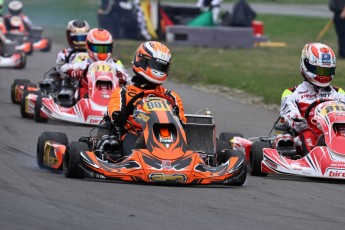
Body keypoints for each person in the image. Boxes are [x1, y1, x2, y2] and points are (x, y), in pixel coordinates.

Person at [108, 41, 187, 156]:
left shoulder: (171, 96)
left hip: (168, 136)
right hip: (136, 132)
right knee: (131, 138)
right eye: (155, 65)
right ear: (141, 60)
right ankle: (133, 158)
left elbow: (181, 121)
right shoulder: (124, 92)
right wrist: (118, 114)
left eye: (162, 67)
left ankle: (179, 157)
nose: (158, 70)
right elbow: (115, 110)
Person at [280, 42, 345, 156]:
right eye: (320, 70)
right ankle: (318, 157)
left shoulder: (338, 93)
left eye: (327, 71)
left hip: (336, 133)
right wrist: (296, 122)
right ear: (306, 65)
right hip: (306, 134)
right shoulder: (292, 93)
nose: (324, 75)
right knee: (307, 135)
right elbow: (289, 114)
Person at [60, 28, 128, 100]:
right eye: (98, 48)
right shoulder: (84, 63)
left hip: (113, 98)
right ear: (88, 46)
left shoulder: (115, 64)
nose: (102, 52)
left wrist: (123, 78)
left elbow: (129, 79)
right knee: (79, 91)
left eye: (105, 48)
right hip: (87, 97)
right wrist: (73, 72)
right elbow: (63, 68)